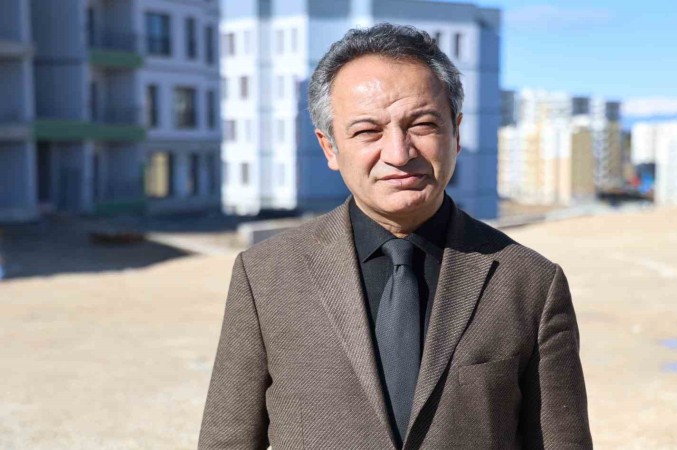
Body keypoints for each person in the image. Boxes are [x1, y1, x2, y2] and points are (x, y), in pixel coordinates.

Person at [199, 23, 592, 450]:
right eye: (368, 131)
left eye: (422, 124)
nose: (399, 153)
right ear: (330, 147)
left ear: (456, 134)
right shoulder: (266, 276)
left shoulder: (530, 283)